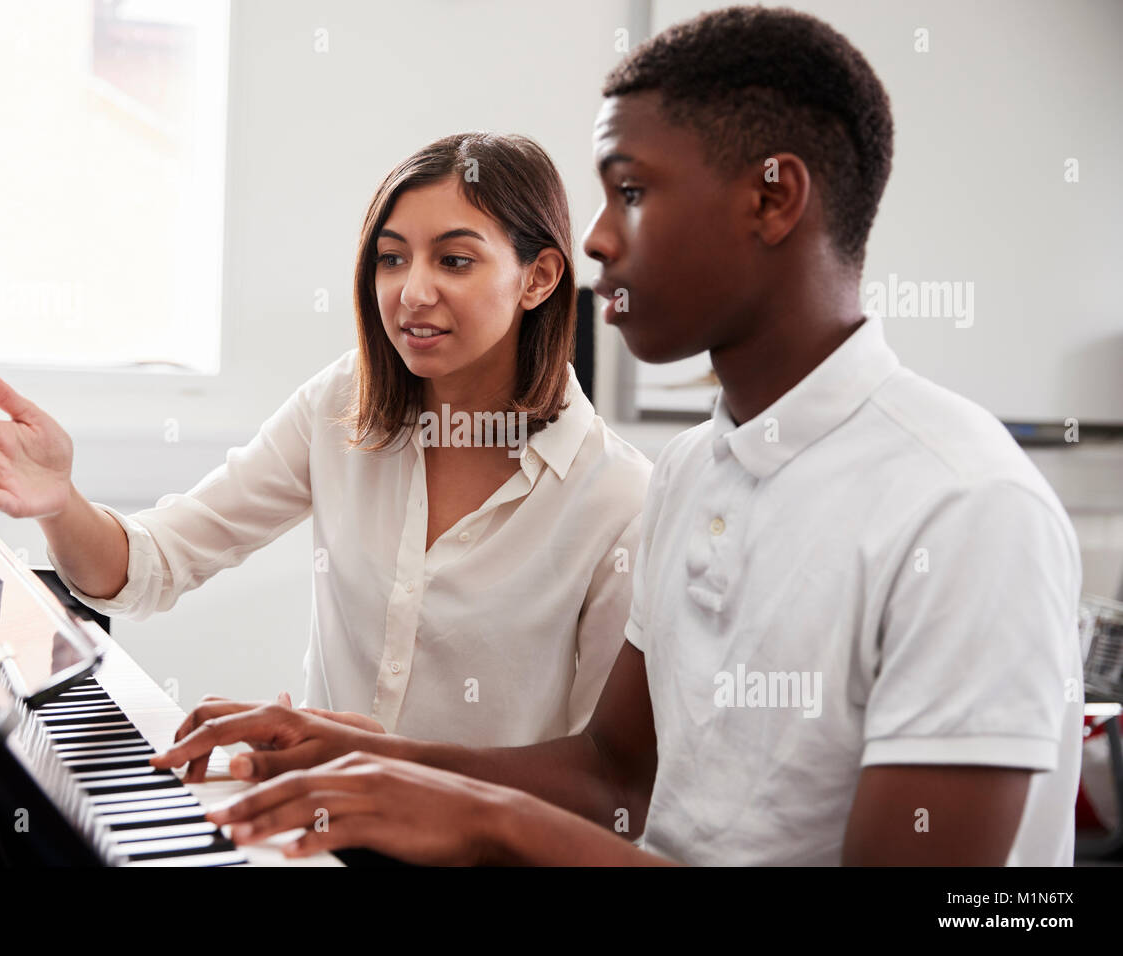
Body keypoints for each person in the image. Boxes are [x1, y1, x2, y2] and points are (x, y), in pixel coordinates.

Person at [152, 6, 1085, 866]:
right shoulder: (694, 471)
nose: (596, 241)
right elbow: (613, 776)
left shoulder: (966, 509)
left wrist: (484, 818)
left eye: (630, 192)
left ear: (772, 201)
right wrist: (365, 756)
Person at [0, 132, 652, 771]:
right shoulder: (343, 402)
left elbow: (601, 779)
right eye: (391, 259)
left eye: (455, 260)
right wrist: (61, 505)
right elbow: (153, 564)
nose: (411, 291)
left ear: (539, 277)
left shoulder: (619, 500)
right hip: (323, 830)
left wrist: (371, 764)